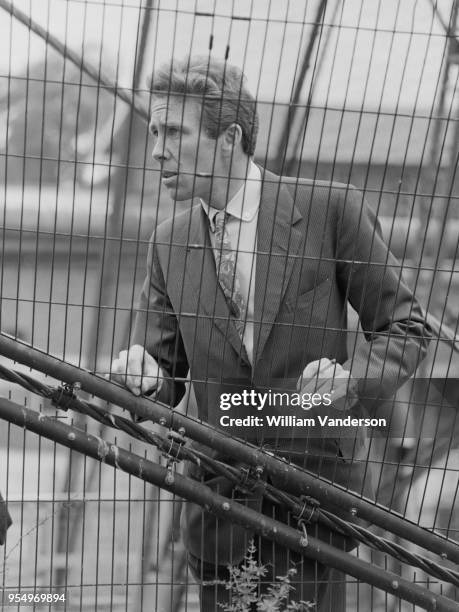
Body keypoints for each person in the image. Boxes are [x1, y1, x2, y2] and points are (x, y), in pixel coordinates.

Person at [111, 56, 431, 610]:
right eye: (154, 131)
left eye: (174, 132)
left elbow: (406, 328)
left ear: (228, 138)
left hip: (313, 499)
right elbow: (166, 374)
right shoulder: (168, 241)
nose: (157, 148)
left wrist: (351, 381)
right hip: (217, 507)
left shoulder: (331, 210)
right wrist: (144, 379)